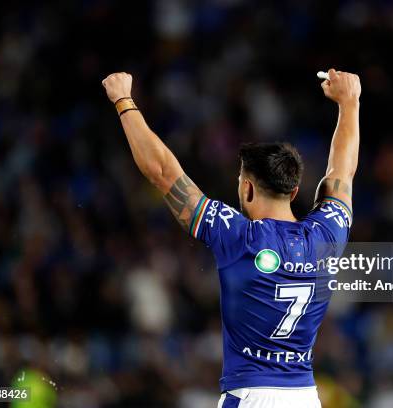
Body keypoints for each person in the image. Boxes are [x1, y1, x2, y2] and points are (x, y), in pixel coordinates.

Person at [102, 68, 360, 408]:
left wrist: (123, 100)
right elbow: (341, 172)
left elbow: (163, 172)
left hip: (251, 396)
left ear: (248, 187)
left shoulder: (238, 236)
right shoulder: (329, 232)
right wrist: (349, 103)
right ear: (295, 190)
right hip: (305, 397)